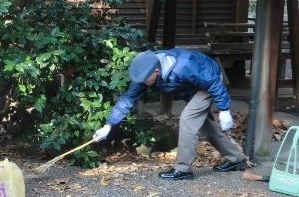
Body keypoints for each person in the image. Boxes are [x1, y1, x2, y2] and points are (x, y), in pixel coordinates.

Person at [93, 48, 246, 180]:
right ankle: (236, 159)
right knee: (205, 128)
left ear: (157, 71)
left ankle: (183, 169)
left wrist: (224, 109)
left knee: (187, 119)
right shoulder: (144, 72)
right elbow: (127, 99)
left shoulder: (183, 66)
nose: (143, 84)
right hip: (193, 86)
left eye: (146, 81)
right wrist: (108, 125)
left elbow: (213, 83)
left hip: (209, 80)